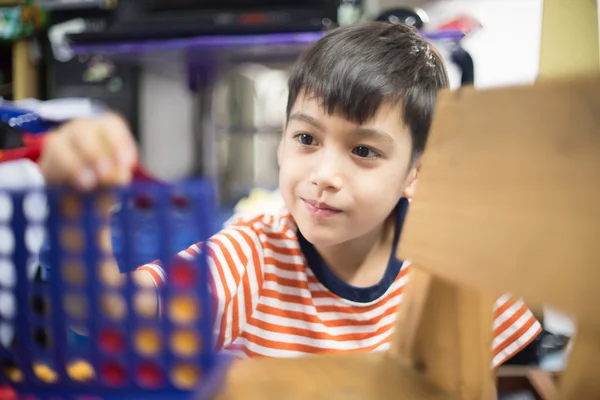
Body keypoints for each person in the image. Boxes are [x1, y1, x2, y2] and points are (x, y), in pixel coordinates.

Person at [39, 21, 541, 365]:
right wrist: (76, 216)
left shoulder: (451, 265)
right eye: (306, 139)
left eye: (364, 151)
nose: (323, 174)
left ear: (416, 175)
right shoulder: (252, 255)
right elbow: (114, 315)